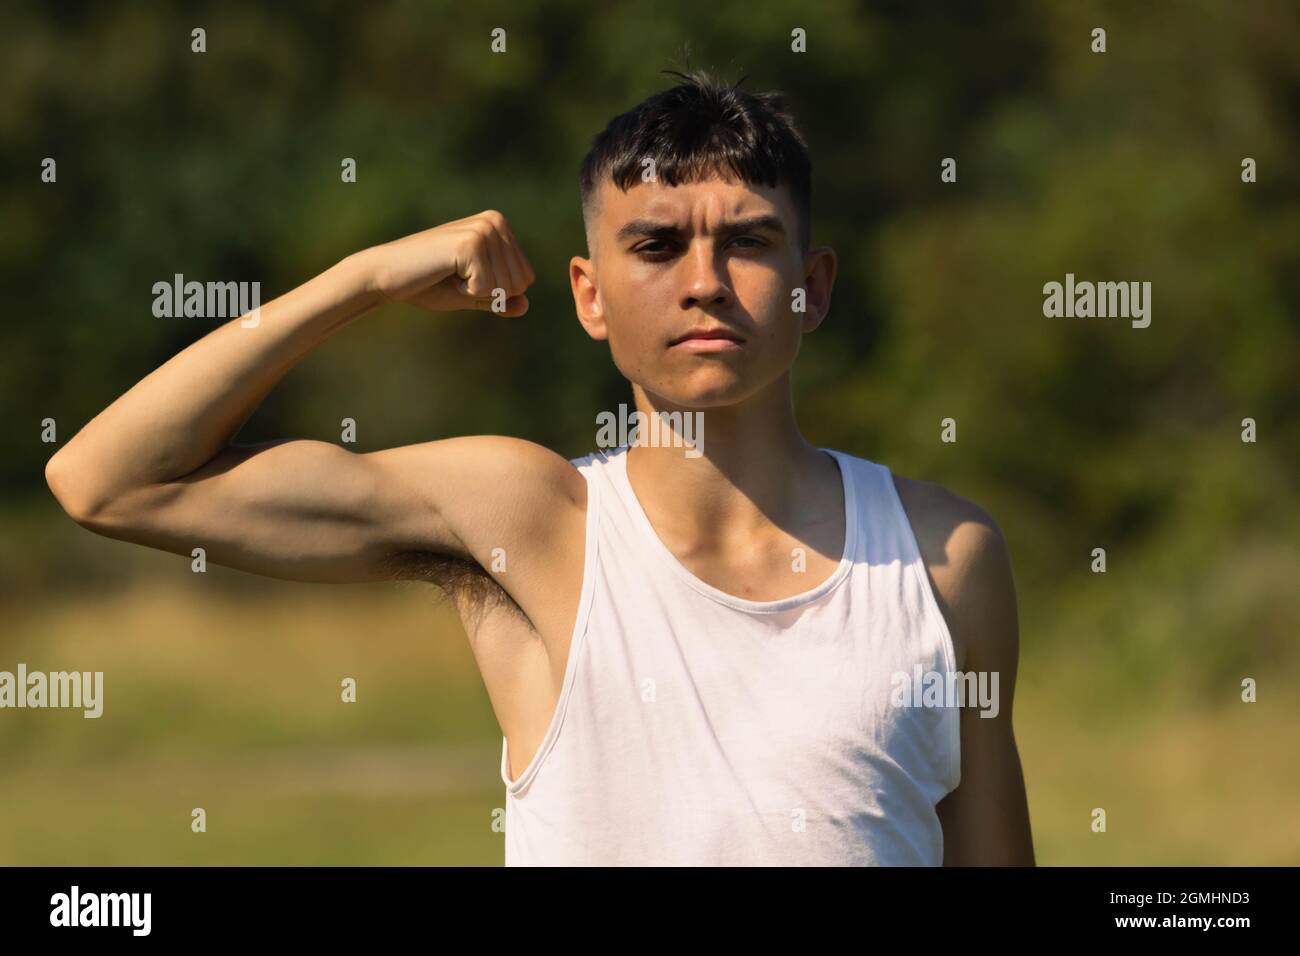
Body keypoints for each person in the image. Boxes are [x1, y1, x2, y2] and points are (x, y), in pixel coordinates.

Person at [45, 68, 1034, 866]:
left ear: (810, 287)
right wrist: (364, 278)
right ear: (589, 294)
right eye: (654, 245)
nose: (703, 283)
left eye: (747, 242)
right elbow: (110, 479)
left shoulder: (944, 555)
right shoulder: (530, 518)